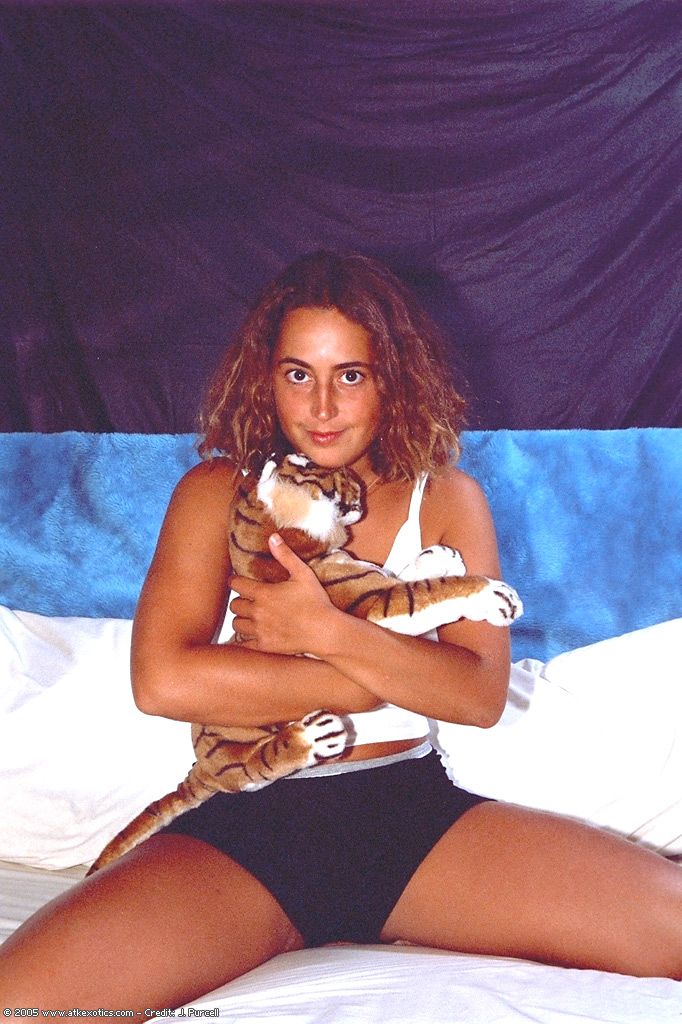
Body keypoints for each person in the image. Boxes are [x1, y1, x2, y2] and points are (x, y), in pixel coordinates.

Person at [1, 252, 680, 1010]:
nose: (322, 406)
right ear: (265, 378)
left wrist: (327, 631)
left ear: (394, 379)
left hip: (412, 823)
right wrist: (382, 679)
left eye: (350, 375)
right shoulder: (216, 491)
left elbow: (478, 696)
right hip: (247, 829)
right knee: (19, 1002)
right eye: (299, 374)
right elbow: (163, 682)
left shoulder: (446, 498)